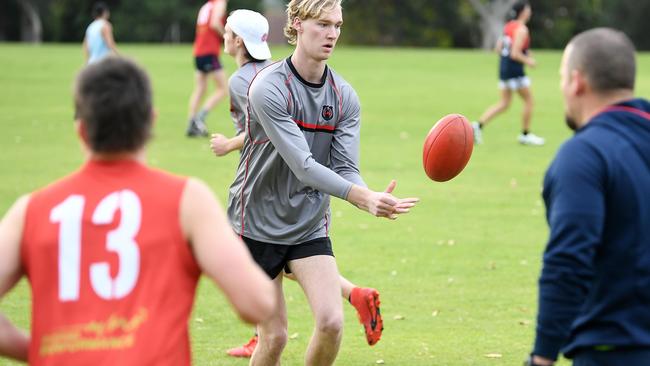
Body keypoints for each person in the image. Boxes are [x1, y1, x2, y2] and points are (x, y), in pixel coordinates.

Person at [0, 57, 275, 365]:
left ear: (81, 130)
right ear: (151, 122)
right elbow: (257, 303)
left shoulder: (31, 211)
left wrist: (43, 350)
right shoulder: (186, 201)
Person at [226, 1, 418, 364]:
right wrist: (361, 198)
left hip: (308, 223)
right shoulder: (268, 88)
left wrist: (369, 193)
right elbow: (303, 165)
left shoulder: (344, 96)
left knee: (331, 322)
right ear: (297, 24)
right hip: (257, 222)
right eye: (323, 24)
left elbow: (345, 166)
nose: (332, 34)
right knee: (275, 337)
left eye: (338, 26)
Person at [526, 28, 650, 366]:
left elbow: (569, 260)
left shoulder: (584, 155)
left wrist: (542, 356)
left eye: (563, 77)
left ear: (577, 82)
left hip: (617, 350)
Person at [472, 0, 544, 146]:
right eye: (528, 9)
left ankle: (477, 126)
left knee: (504, 103)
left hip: (504, 69)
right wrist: (529, 61)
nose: (530, 12)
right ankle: (525, 134)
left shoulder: (508, 26)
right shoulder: (522, 29)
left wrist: (524, 52)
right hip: (515, 70)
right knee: (529, 101)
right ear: (523, 12)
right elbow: (515, 54)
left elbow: (499, 48)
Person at [186, 0, 229, 137]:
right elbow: (215, 23)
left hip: (198, 52)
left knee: (200, 89)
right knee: (223, 89)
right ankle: (199, 119)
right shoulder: (220, 3)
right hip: (209, 51)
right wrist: (227, 37)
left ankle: (191, 123)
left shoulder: (206, 5)